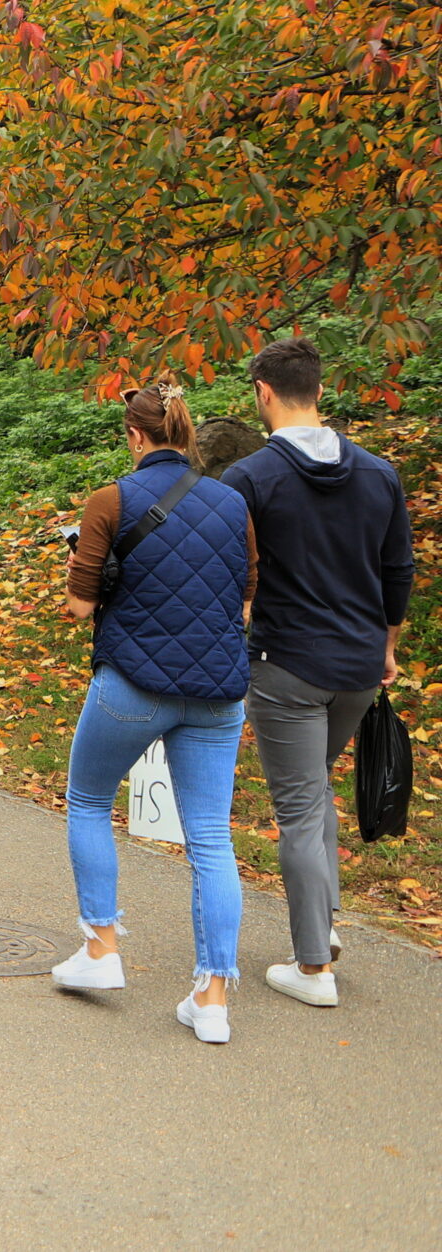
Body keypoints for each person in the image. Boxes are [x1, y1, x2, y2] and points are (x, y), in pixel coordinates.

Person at [51, 384, 254, 1043]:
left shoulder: (112, 499)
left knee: (86, 800)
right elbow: (247, 599)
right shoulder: (234, 503)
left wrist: (83, 565)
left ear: (135, 437)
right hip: (219, 692)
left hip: (134, 686)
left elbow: (80, 606)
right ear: (185, 434)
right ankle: (212, 998)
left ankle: (103, 950)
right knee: (211, 838)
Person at [220, 336, 414, 1008]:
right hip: (360, 667)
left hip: (288, 667)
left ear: (263, 394)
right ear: (319, 390)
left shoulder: (249, 479)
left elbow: (225, 570)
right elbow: (398, 572)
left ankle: (312, 969)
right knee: (314, 793)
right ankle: (322, 931)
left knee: (300, 806)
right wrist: (387, 646)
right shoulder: (378, 473)